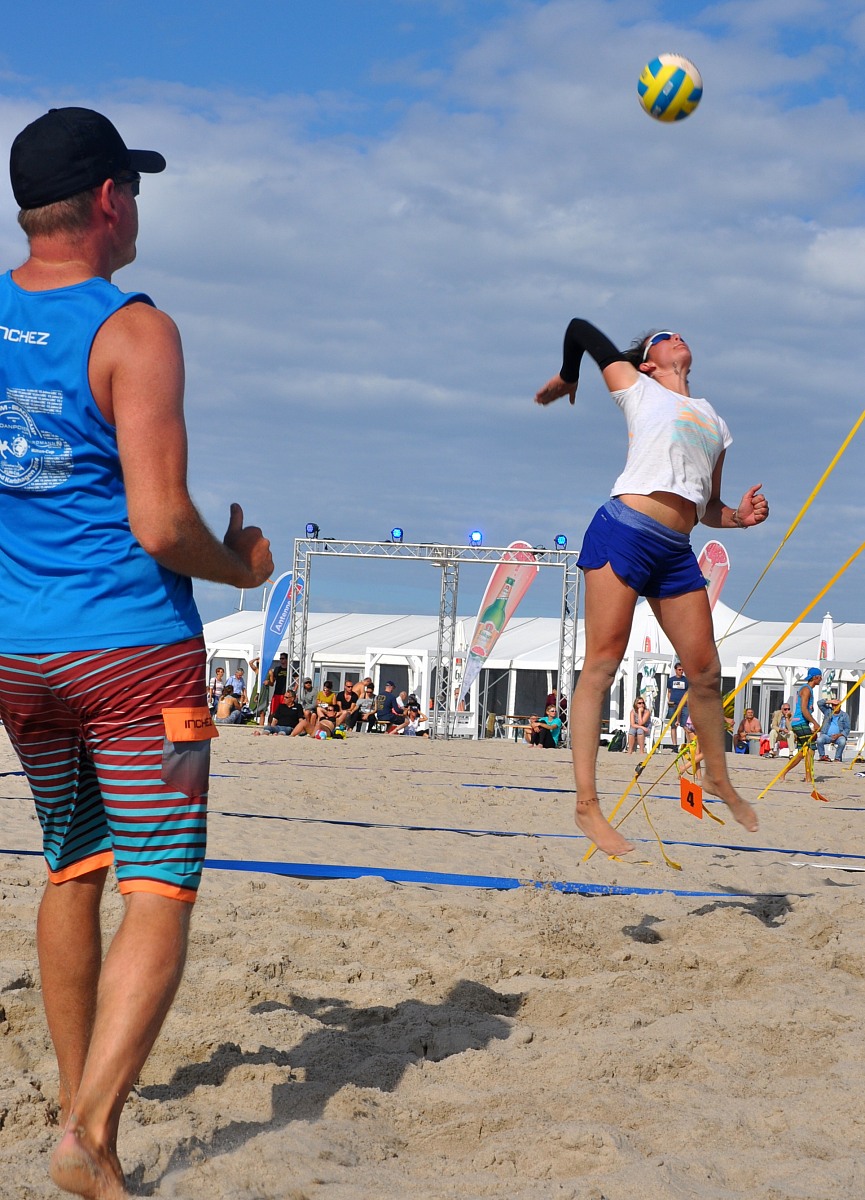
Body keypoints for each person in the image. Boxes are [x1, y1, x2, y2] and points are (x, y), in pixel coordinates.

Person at [0, 108, 273, 1198]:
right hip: (132, 650)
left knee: (73, 865)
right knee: (159, 885)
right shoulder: (134, 329)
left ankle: (87, 1123)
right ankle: (86, 1135)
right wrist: (242, 567)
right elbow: (160, 524)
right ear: (110, 199)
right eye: (137, 188)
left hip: (18, 652)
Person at [535, 321, 767, 853]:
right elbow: (579, 329)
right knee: (602, 663)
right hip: (624, 531)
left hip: (675, 550)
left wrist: (739, 517)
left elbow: (705, 505)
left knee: (705, 672)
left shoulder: (714, 420)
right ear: (648, 361)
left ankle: (716, 776)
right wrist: (570, 376)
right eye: (665, 335)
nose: (677, 336)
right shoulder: (637, 388)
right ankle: (586, 805)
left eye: (679, 333)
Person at [780, 668, 822, 782]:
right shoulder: (806, 689)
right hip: (800, 723)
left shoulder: (808, 689)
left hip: (801, 722)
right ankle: (806, 777)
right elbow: (804, 709)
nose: (821, 679)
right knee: (810, 749)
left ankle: (786, 774)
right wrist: (815, 723)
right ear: (815, 677)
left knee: (803, 752)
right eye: (820, 677)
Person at [816, 697, 850, 762]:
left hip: (838, 736)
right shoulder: (827, 711)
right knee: (819, 740)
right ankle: (822, 756)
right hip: (826, 735)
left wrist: (839, 735)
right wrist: (830, 701)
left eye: (837, 705)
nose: (835, 707)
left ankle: (837, 758)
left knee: (842, 741)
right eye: (834, 705)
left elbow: (847, 729)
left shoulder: (844, 715)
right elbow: (819, 703)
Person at [665, 662, 689, 748]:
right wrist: (670, 700)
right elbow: (669, 691)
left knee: (685, 725)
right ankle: (674, 745)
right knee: (673, 725)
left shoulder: (686, 680)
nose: (681, 671)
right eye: (679, 670)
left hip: (684, 705)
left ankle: (688, 745)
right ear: (675, 670)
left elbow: (688, 692)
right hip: (673, 704)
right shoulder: (671, 680)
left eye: (682, 670)